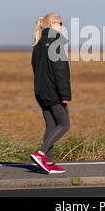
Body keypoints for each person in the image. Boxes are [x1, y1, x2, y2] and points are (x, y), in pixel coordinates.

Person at [30, 13, 71, 174]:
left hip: (40, 91)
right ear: (53, 24)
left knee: (51, 125)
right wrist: (64, 95)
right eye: (61, 23)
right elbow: (60, 71)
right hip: (54, 91)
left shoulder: (38, 42)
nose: (62, 26)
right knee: (64, 124)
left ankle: (50, 162)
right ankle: (41, 154)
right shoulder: (56, 41)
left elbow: (35, 67)